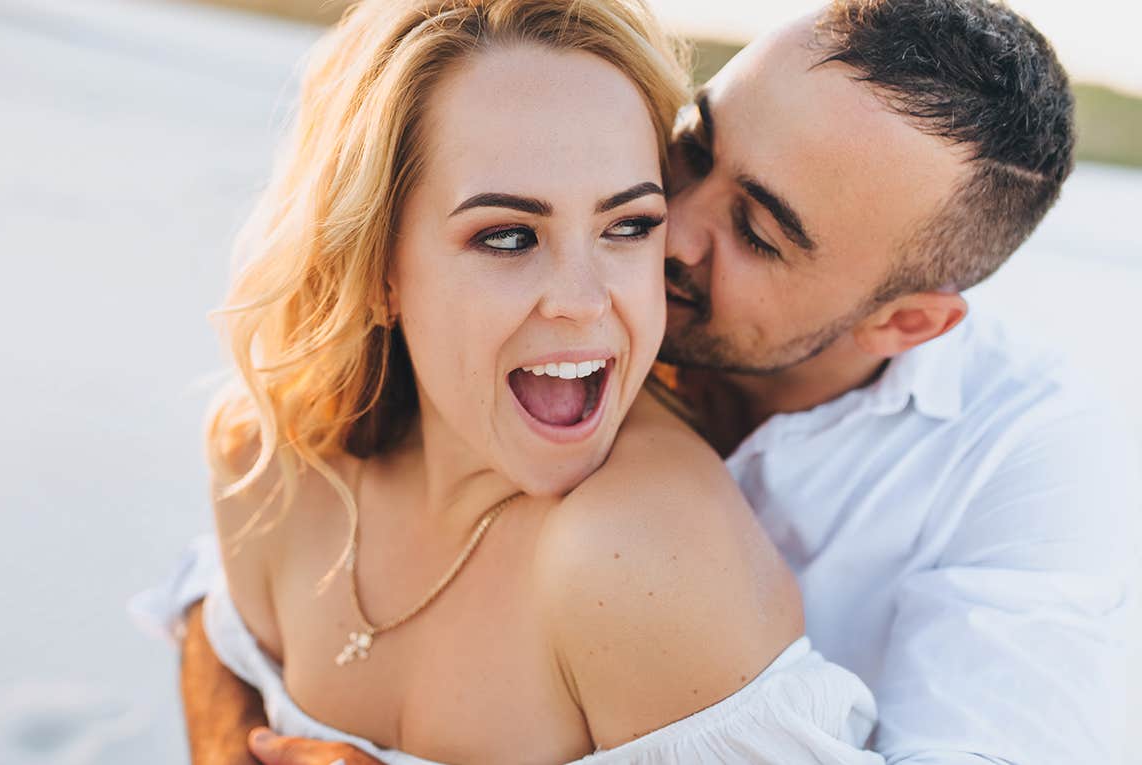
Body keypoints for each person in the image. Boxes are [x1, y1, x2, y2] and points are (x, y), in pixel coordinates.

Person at [136, 0, 1142, 763]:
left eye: (756, 230)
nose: (665, 231)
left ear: (904, 323)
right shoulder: (569, 305)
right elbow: (258, 547)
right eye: (691, 148)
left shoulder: (1030, 470)